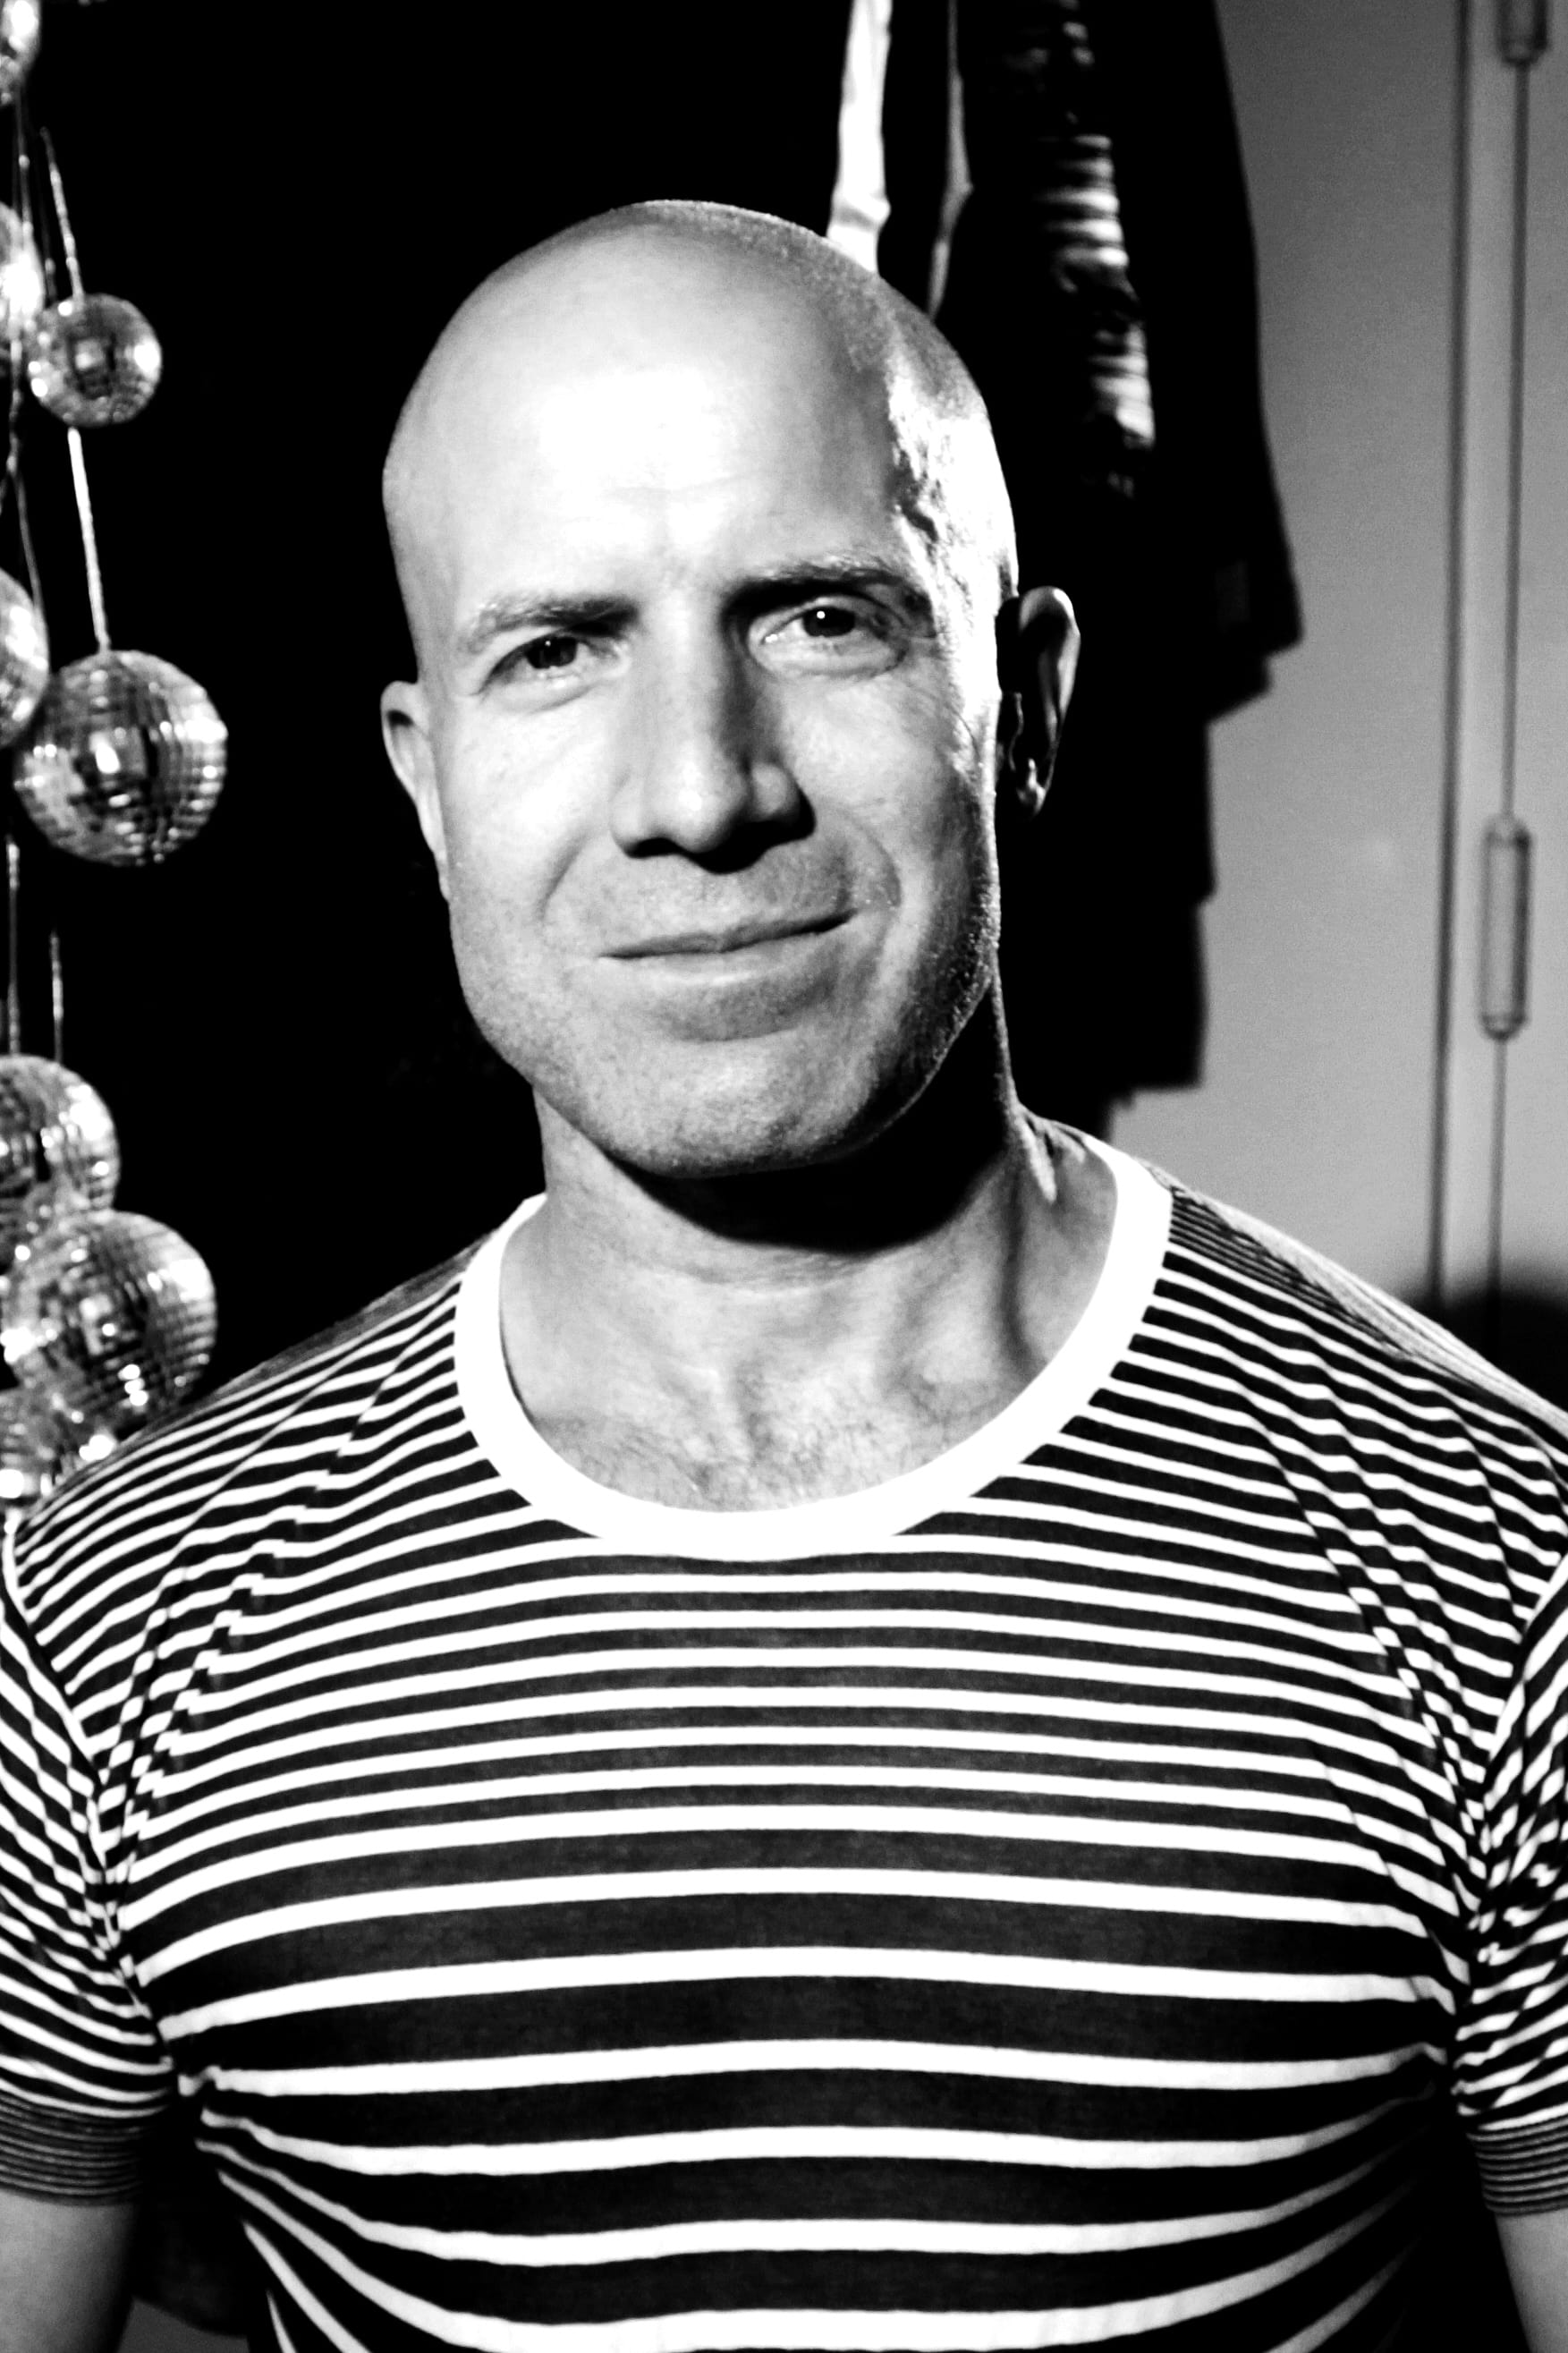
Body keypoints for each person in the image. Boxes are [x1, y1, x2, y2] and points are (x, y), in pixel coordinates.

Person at [0, 201, 1565, 2353]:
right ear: (425, 783)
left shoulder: (1497, 1556)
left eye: (822, 617)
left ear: (1025, 699)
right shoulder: (113, 1616)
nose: (698, 789)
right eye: (556, 650)